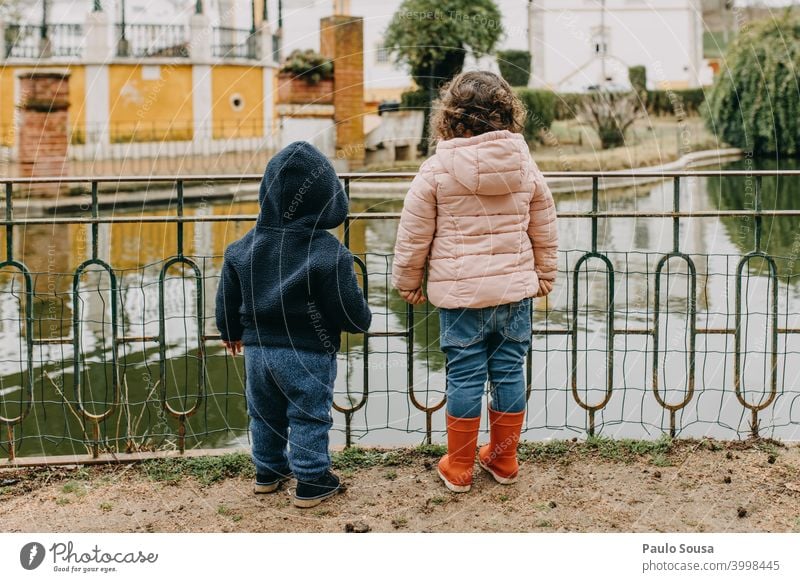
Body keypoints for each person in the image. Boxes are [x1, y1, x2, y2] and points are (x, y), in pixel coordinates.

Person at [392, 71, 559, 493]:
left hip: (462, 298)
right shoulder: (525, 165)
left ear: (450, 118)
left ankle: (460, 467)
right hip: (514, 294)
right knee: (508, 372)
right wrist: (544, 273)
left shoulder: (436, 169)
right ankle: (503, 459)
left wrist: (408, 281)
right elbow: (544, 225)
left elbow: (414, 234)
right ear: (507, 114)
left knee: (464, 376)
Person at [216, 141, 372, 508]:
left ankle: (268, 473)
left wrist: (230, 332)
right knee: (308, 415)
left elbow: (227, 300)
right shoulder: (328, 252)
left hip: (257, 352)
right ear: (327, 199)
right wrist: (360, 318)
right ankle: (312, 479)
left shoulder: (241, 249)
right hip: (308, 352)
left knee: (264, 414)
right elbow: (350, 313)